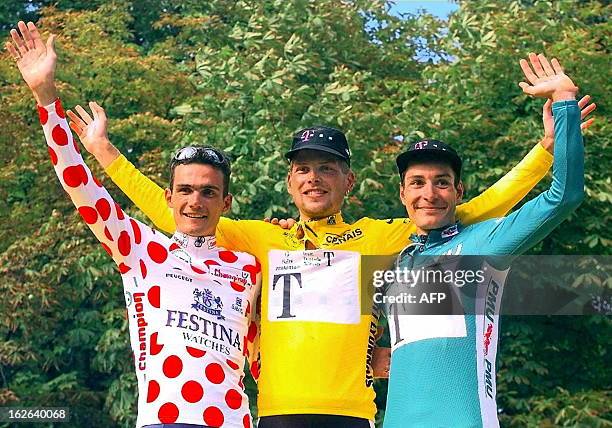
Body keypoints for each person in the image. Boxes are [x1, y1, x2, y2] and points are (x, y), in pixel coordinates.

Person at [61, 42, 593, 428]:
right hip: (274, 413)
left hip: (353, 415)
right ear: (290, 180)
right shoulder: (259, 238)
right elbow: (172, 208)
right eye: (304, 169)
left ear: (349, 180)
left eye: (327, 168)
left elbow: (468, 210)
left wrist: (543, 154)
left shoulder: (381, 237)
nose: (314, 177)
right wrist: (105, 152)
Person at [7, 21, 261, 428]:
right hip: (165, 420)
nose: (196, 201)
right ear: (169, 197)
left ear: (225, 202)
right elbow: (79, 182)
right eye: (186, 190)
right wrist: (45, 95)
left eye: (209, 192)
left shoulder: (249, 267)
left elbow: (265, 358)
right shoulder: (143, 251)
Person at [381, 53, 584, 427]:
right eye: (417, 183)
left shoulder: (485, 242)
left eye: (442, 182)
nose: (429, 193)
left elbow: (564, 195)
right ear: (402, 195)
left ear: (459, 191)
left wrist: (565, 103)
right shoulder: (396, 261)